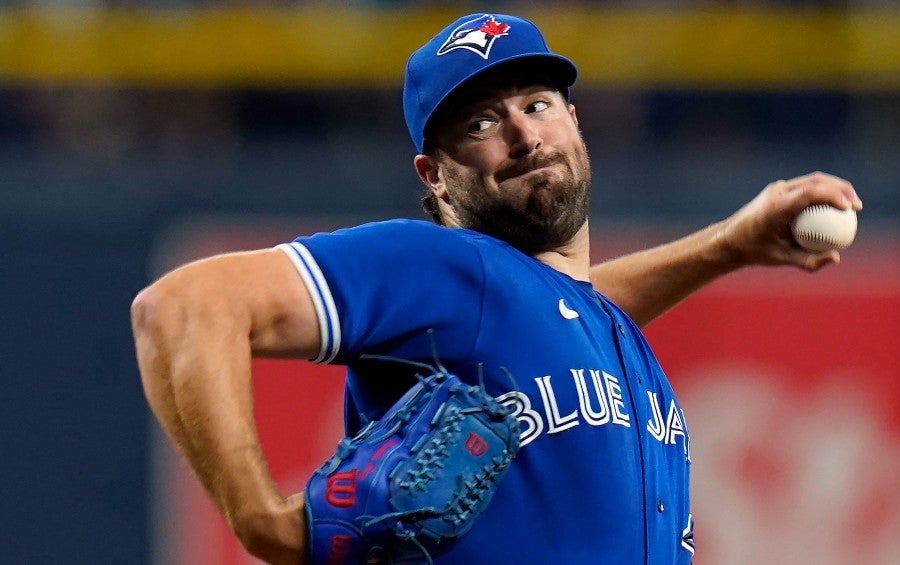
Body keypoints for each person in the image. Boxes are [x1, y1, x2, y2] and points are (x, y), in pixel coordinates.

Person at [131, 12, 862, 565]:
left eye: (536, 105)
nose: (522, 134)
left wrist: (729, 245)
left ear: (574, 122)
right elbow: (183, 306)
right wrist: (261, 519)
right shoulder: (443, 266)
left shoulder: (585, 323)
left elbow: (558, 310)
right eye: (482, 121)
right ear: (435, 176)